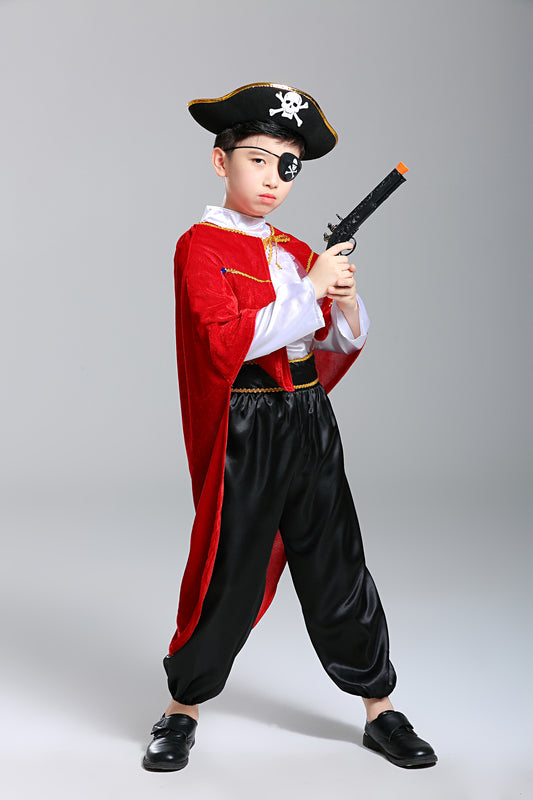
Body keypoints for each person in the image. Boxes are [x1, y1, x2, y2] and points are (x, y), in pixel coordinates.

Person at [142, 82, 437, 772]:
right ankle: (182, 706)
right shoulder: (199, 247)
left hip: (309, 418)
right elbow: (227, 343)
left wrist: (343, 297)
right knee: (229, 566)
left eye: (287, 166)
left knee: (338, 560)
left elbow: (331, 342)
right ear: (221, 161)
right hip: (249, 423)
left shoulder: (297, 248)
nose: (272, 179)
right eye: (257, 160)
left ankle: (379, 708)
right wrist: (309, 288)